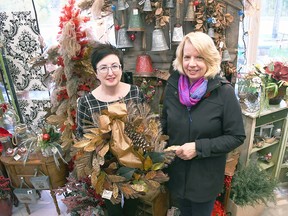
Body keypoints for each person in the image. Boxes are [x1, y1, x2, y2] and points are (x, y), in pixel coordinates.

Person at [161, 32, 246, 216]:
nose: (192, 64)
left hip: (205, 180)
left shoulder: (223, 92)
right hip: (177, 175)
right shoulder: (172, 87)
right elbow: (164, 125)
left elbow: (236, 136)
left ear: (209, 59)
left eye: (199, 57)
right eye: (187, 57)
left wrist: (198, 148)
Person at [76, 43, 144, 216]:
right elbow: (81, 135)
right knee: (114, 210)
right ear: (95, 72)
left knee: (132, 208)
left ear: (121, 68)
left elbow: (147, 127)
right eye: (104, 67)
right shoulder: (87, 102)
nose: (110, 72)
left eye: (115, 66)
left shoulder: (135, 93)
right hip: (105, 171)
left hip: (134, 166)